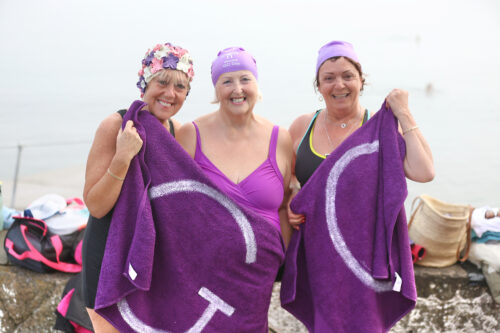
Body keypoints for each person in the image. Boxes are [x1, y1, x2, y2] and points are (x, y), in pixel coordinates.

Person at [81, 42, 194, 332]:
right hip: (107, 254)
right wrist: (123, 156)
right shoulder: (115, 125)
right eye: (162, 82)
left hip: (150, 259)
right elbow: (95, 205)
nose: (170, 93)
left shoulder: (178, 133)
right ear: (145, 83)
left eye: (180, 87)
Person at [288, 40, 434, 228]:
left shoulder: (380, 128)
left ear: (361, 81)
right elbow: (288, 177)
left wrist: (404, 113)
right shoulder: (303, 126)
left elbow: (424, 172)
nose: (339, 85)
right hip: (310, 244)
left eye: (348, 76)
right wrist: (292, 197)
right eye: (329, 78)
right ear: (319, 86)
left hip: (364, 246)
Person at [177, 46, 294, 247]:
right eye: (227, 81)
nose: (238, 89)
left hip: (265, 270)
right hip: (204, 268)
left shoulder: (281, 138)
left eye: (245, 79)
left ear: (256, 84)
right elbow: (177, 207)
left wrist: (288, 267)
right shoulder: (190, 135)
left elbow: (283, 207)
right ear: (216, 89)